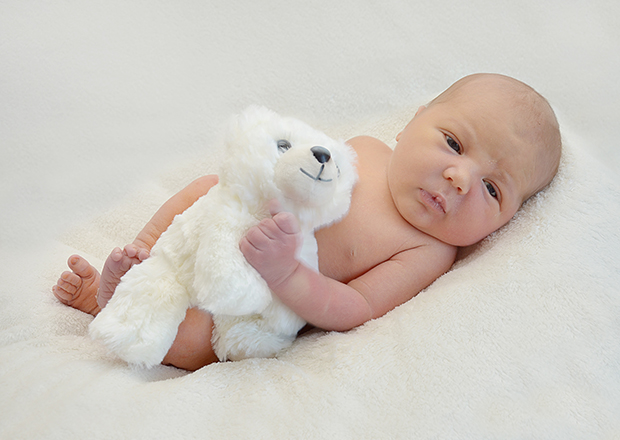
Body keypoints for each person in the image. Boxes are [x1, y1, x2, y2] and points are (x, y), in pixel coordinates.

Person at [53, 73, 562, 371]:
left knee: (198, 343)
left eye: (492, 189)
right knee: (205, 187)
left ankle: (106, 301)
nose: (460, 179)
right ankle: (140, 257)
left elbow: (357, 307)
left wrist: (286, 273)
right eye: (453, 143)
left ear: (506, 221)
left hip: (255, 298)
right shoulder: (365, 148)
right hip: (221, 227)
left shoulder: (428, 250)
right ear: (414, 121)